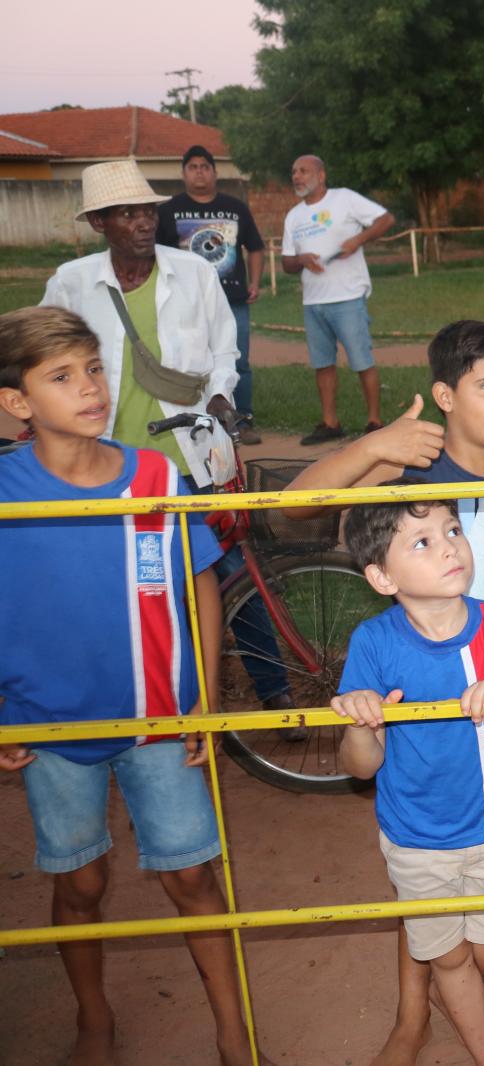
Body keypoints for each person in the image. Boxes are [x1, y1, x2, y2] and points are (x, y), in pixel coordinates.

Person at [280, 320, 484, 1064]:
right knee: (427, 870)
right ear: (444, 395)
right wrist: (373, 447)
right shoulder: (412, 467)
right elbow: (290, 511)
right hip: (424, 703)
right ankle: (415, 1008)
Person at [0, 306, 254, 1066]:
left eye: (95, 369)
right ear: (16, 402)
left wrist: (205, 703)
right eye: (63, 377)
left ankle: (236, 1039)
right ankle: (93, 1022)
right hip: (47, 729)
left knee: (193, 878)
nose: (91, 388)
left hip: (161, 723)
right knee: (79, 885)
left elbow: (201, 583)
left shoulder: (155, 475)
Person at [39, 161, 296, 719]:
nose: (141, 222)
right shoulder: (71, 282)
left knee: (229, 570)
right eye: (126, 213)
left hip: (190, 457)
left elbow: (225, 350)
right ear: (100, 223)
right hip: (108, 463)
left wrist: (223, 396)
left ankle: (273, 684)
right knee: (116, 580)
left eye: (147, 211)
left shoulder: (192, 272)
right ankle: (122, 694)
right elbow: (43, 359)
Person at [333, 493, 484, 1066]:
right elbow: (361, 767)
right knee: (452, 958)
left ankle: (442, 982)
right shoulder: (374, 643)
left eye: (452, 529)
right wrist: (362, 722)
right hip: (415, 839)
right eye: (423, 542)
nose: (450, 547)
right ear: (383, 577)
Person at [280, 154, 394, 444]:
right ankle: (330, 423)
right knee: (322, 364)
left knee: (361, 361)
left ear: (321, 175)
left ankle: (374, 422)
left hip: (348, 296)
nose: (297, 177)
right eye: (294, 172)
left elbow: (386, 220)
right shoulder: (293, 216)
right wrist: (302, 259)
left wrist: (358, 240)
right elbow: (287, 264)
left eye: (304, 171)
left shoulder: (344, 199)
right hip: (313, 301)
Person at [156, 145, 266, 444]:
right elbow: (155, 255)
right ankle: (191, 418)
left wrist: (255, 282)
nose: (199, 171)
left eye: (205, 166)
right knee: (185, 359)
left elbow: (255, 247)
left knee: (237, 360)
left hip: (233, 301)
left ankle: (241, 419)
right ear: (184, 173)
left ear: (215, 173)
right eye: (192, 166)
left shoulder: (235, 208)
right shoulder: (167, 211)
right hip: (185, 302)